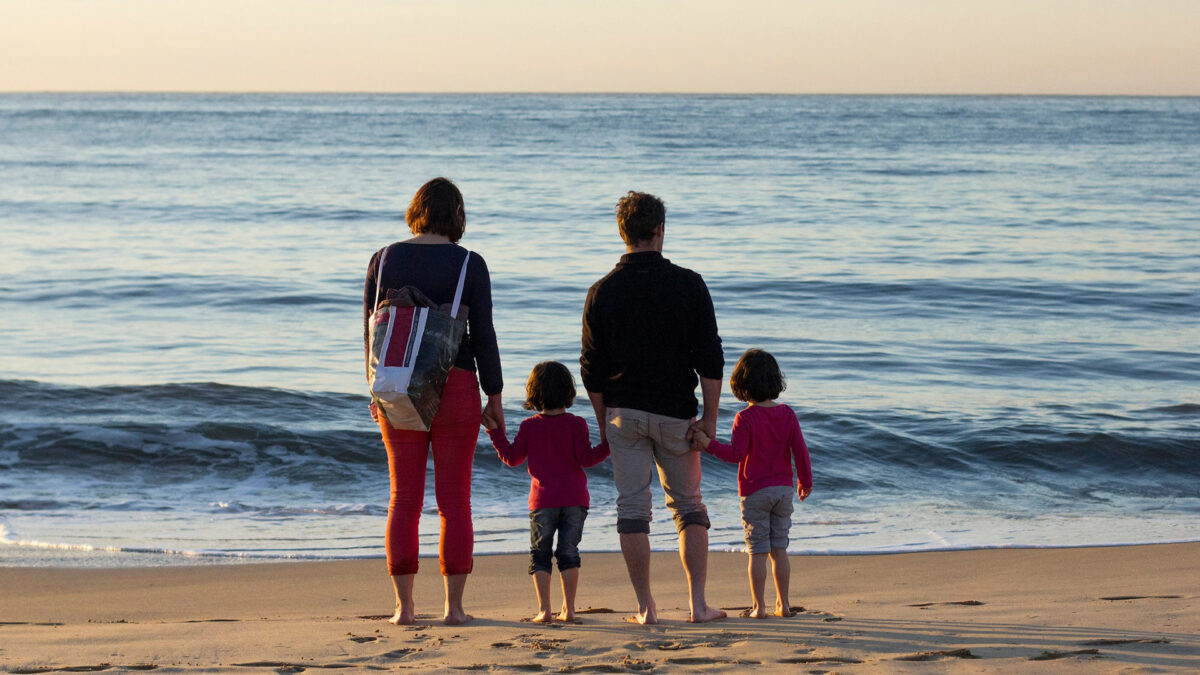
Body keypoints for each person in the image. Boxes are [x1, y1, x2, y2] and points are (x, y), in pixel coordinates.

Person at [580, 191, 726, 624]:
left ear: (622, 232)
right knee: (689, 507)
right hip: (676, 415)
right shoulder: (689, 284)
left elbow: (591, 368)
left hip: (623, 413)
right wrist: (711, 418)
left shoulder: (601, 291)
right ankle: (698, 605)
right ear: (660, 230)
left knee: (632, 510)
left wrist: (603, 420)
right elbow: (710, 358)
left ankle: (647, 609)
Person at [363, 177, 504, 626]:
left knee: (403, 498)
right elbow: (484, 335)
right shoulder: (469, 264)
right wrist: (495, 395)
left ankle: (404, 609)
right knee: (454, 500)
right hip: (457, 385)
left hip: (396, 381)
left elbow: (369, 332)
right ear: (457, 214)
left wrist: (375, 387)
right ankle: (454, 609)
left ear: (416, 209)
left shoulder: (383, 259)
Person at [483, 361, 610, 623]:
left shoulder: (530, 426)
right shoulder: (577, 424)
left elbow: (511, 458)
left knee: (540, 553)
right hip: (575, 499)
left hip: (542, 502)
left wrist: (494, 432)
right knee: (569, 552)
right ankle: (570, 609)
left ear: (533, 393)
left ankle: (544, 610)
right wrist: (610, 444)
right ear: (568, 392)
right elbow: (587, 458)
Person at [692, 349, 812, 619]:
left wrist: (707, 445)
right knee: (779, 548)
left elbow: (735, 455)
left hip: (755, 492)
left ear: (741, 384)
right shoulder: (788, 414)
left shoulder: (744, 419)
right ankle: (784, 605)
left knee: (757, 550)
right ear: (775, 381)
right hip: (783, 490)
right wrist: (805, 480)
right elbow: (800, 451)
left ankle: (759, 607)